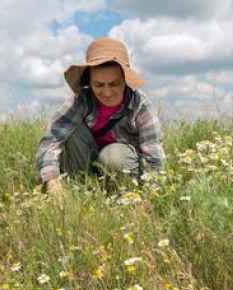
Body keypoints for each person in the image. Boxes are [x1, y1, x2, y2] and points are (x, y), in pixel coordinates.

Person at [36, 37, 165, 194]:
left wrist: (149, 197)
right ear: (89, 81)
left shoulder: (139, 105)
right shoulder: (81, 99)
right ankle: (79, 191)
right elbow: (52, 138)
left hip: (121, 169)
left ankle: (120, 194)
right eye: (98, 85)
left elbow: (153, 156)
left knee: (114, 156)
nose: (107, 92)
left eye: (114, 84)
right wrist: (52, 181)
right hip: (87, 165)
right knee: (71, 131)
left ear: (125, 79)